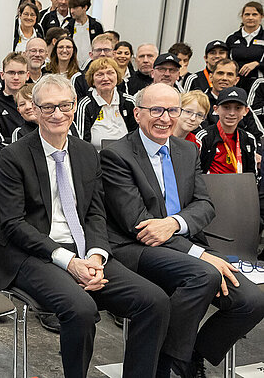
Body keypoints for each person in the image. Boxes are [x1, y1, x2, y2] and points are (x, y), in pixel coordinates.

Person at [0, 74, 169, 378]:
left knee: (155, 301)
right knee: (82, 309)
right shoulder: (13, 156)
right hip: (33, 255)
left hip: (86, 253)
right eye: (48, 108)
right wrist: (69, 262)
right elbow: (13, 225)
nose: (58, 114)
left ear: (75, 107)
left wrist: (96, 257)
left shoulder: (87, 153)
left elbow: (95, 214)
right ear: (33, 110)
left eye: (64, 105)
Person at [100, 82, 264, 377]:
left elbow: (204, 205)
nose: (165, 118)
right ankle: (163, 366)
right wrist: (200, 254)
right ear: (137, 114)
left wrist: (176, 223)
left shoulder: (187, 150)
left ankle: (188, 356)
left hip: (185, 243)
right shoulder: (117, 155)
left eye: (172, 110)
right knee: (204, 274)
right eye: (156, 110)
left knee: (253, 300)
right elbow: (137, 224)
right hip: (137, 249)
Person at [74, 57, 136, 148]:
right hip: (96, 157)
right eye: (99, 74)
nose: (105, 78)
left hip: (125, 157)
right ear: (92, 80)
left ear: (117, 76)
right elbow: (80, 141)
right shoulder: (85, 105)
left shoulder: (129, 102)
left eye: (110, 73)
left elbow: (136, 137)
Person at [196, 86, 257, 175]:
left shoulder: (249, 139)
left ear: (246, 111)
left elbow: (252, 175)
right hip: (210, 187)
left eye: (238, 108)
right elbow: (196, 172)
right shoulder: (203, 137)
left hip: (239, 187)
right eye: (226, 107)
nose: (232, 113)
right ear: (216, 109)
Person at [0, 52, 31, 144]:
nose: (16, 77)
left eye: (20, 73)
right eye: (11, 72)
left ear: (27, 75)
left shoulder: (36, 102)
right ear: (2, 75)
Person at [225, 1, 264, 91]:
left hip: (259, 85)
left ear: (261, 16)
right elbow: (225, 61)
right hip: (235, 84)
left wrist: (257, 64)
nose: (250, 18)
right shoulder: (232, 38)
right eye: (247, 14)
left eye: (254, 14)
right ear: (242, 17)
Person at [60, 0, 103, 69]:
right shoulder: (67, 25)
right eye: (71, 8)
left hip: (92, 64)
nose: (72, 11)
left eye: (75, 8)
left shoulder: (96, 25)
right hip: (72, 65)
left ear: (85, 7)